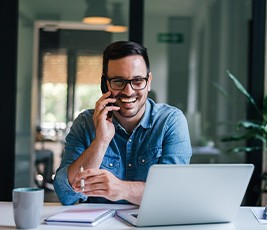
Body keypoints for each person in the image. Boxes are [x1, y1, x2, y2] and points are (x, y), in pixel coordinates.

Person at [53, 41, 192, 205]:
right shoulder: (85, 123)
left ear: (149, 81)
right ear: (105, 84)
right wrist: (101, 141)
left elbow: (173, 194)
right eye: (119, 81)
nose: (128, 91)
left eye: (138, 80)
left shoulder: (171, 122)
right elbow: (65, 195)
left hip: (152, 227)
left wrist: (121, 189)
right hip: (96, 229)